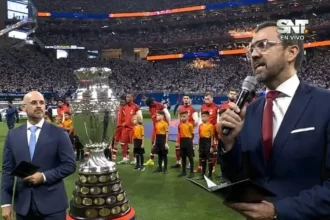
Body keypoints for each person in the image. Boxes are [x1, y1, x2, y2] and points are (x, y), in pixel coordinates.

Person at [218, 21, 330, 219]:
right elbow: (238, 178)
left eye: (263, 45)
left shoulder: (325, 104)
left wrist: (278, 211)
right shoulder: (250, 111)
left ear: (291, 52)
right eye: (251, 48)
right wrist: (228, 145)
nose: (253, 55)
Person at [1, 91, 76, 220]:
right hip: (23, 207)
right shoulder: (13, 135)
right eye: (34, 103)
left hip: (52, 206)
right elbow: (7, 171)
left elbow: (70, 165)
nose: (39, 106)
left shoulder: (59, 133)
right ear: (24, 107)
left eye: (42, 103)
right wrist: (6, 203)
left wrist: (44, 176)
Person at [171, 95, 198, 169]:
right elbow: (178, 120)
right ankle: (178, 162)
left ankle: (189, 163)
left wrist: (191, 128)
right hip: (181, 132)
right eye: (184, 98)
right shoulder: (181, 109)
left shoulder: (193, 109)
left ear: (189, 100)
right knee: (177, 145)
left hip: (188, 132)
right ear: (182, 100)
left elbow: (196, 121)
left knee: (190, 148)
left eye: (187, 98)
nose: (186, 100)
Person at [144, 97, 171, 166]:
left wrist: (169, 124)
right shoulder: (150, 108)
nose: (150, 106)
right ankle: (151, 159)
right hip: (156, 127)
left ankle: (163, 160)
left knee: (163, 144)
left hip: (162, 127)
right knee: (153, 142)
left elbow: (167, 114)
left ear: (152, 102)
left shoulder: (160, 105)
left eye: (150, 104)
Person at [196, 92, 219, 173]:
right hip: (204, 131)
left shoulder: (216, 107)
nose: (206, 100)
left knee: (213, 149)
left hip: (213, 132)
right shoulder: (202, 107)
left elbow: (218, 120)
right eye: (205, 99)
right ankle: (200, 166)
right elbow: (200, 118)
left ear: (212, 98)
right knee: (202, 149)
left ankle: (212, 166)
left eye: (208, 98)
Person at [117, 94, 143, 165]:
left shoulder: (136, 107)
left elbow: (140, 117)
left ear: (132, 98)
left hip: (133, 129)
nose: (126, 98)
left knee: (135, 144)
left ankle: (135, 159)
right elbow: (123, 117)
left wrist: (138, 126)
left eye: (128, 97)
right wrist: (123, 123)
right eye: (126, 97)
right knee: (123, 143)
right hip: (125, 128)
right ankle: (125, 158)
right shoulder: (125, 107)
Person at [196, 111, 215, 180]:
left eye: (204, 116)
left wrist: (212, 146)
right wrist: (198, 145)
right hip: (201, 143)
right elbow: (199, 136)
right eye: (202, 116)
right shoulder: (200, 126)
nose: (202, 118)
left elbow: (212, 137)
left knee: (209, 160)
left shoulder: (211, 126)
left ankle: (210, 175)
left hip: (208, 143)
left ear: (208, 117)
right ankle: (203, 175)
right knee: (203, 160)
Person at [177, 111, 195, 179]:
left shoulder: (190, 125)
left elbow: (192, 134)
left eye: (184, 116)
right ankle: (183, 171)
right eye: (181, 116)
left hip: (188, 141)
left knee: (190, 157)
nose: (182, 118)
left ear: (187, 117)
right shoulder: (179, 125)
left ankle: (191, 172)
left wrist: (191, 141)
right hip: (182, 141)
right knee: (183, 157)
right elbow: (179, 132)